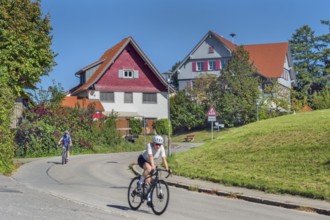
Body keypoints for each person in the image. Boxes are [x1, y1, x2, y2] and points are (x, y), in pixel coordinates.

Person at [137, 135, 170, 206]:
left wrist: (167, 169)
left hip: (150, 162)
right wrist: (153, 166)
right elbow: (151, 156)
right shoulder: (149, 145)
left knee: (149, 181)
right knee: (149, 168)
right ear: (154, 143)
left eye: (160, 144)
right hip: (142, 159)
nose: (158, 146)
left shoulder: (161, 148)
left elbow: (164, 158)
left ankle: (148, 200)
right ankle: (139, 182)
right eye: (157, 144)